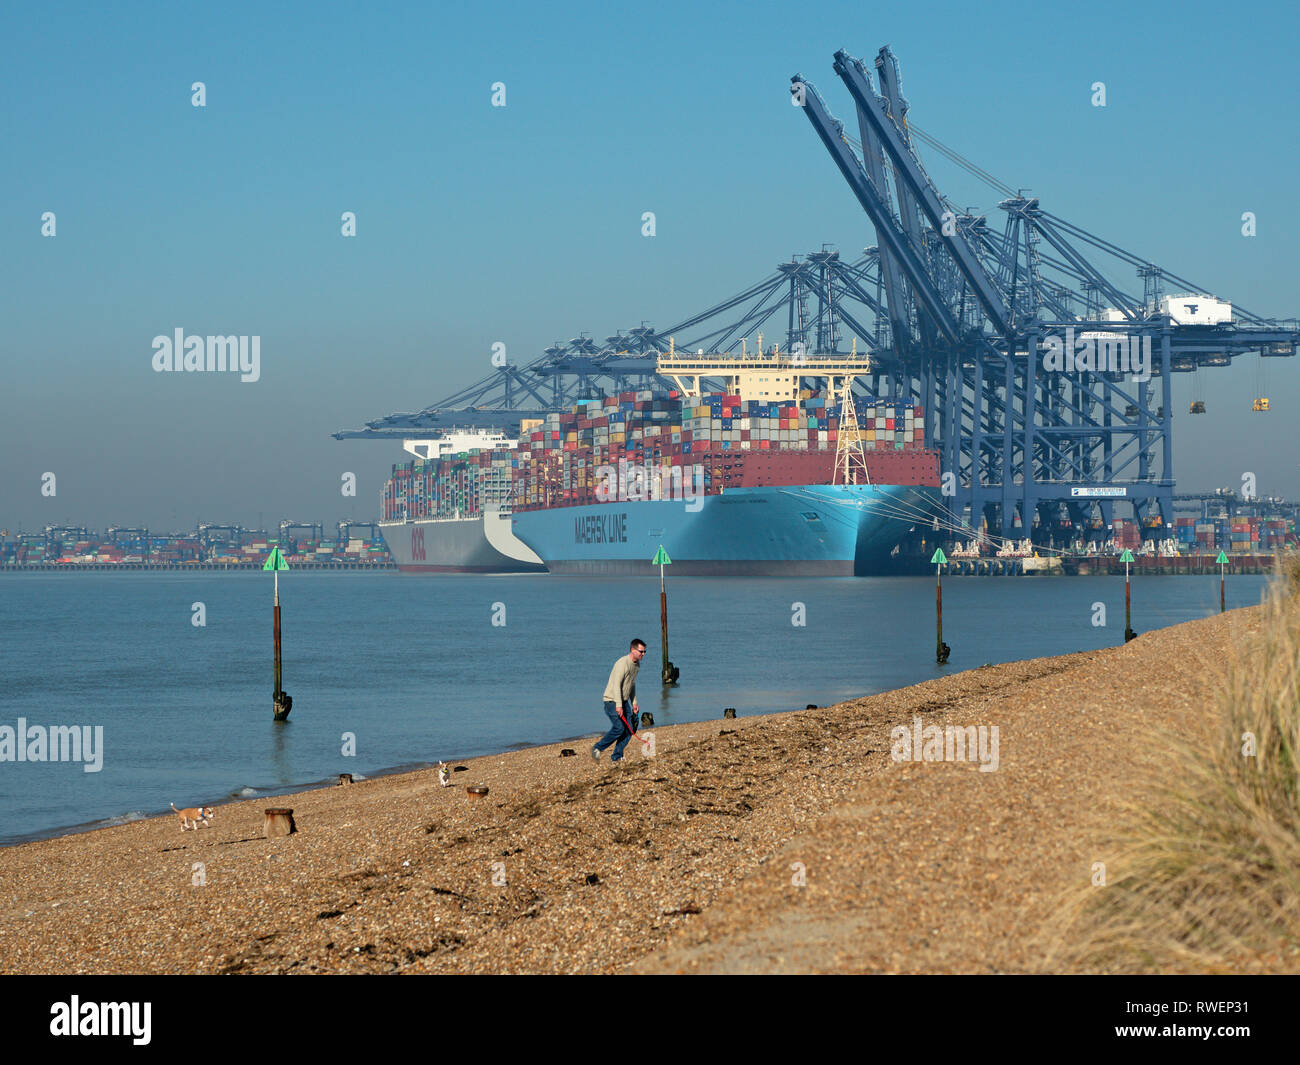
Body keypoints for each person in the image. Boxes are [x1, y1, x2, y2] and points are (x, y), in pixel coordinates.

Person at [593, 638, 646, 765]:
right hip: (611, 701)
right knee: (619, 728)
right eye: (641, 651)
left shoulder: (636, 665)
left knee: (630, 729)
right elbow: (617, 685)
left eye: (644, 652)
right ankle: (597, 748)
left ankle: (617, 756)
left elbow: (631, 684)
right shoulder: (622, 664)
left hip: (624, 700)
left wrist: (634, 703)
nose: (643, 654)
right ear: (633, 650)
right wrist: (618, 705)